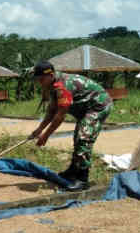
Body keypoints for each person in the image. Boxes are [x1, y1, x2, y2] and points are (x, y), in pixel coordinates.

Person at [31, 61, 112, 191]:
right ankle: (73, 170)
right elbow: (52, 110)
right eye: (37, 79)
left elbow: (59, 116)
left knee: (83, 138)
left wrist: (45, 136)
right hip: (84, 108)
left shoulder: (62, 87)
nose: (40, 82)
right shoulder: (52, 84)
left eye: (41, 79)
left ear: (50, 75)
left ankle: (82, 179)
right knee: (77, 139)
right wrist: (39, 129)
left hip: (97, 106)